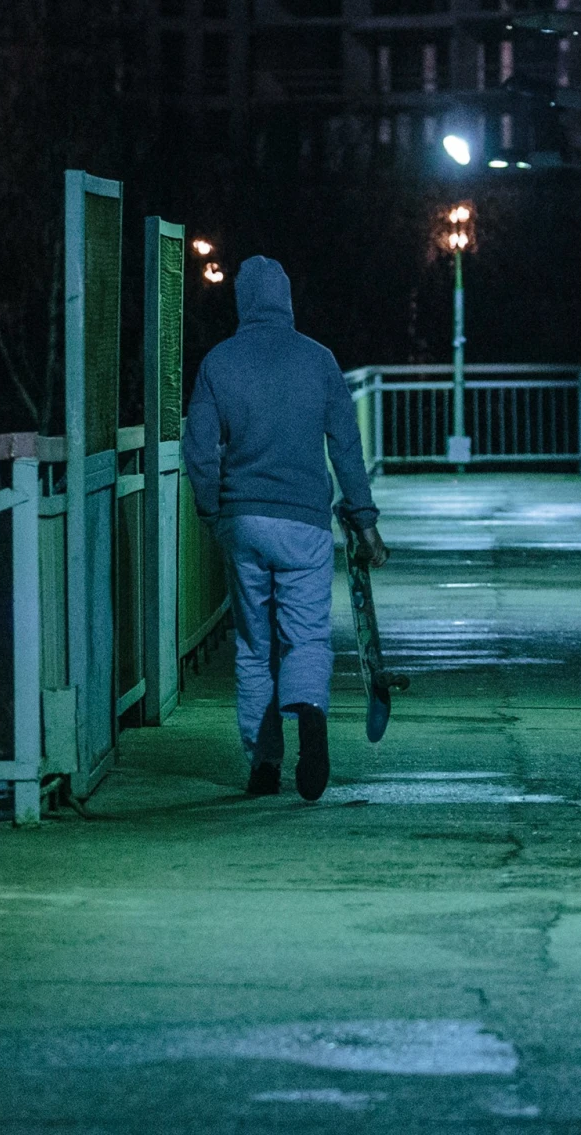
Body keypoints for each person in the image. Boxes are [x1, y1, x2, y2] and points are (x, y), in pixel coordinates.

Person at [183, 255, 389, 802]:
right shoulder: (318, 361)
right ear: (288, 299)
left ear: (243, 301)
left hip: (243, 520)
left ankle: (264, 763)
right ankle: (312, 717)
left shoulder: (218, 363)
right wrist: (364, 521)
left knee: (254, 646)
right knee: (306, 634)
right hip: (304, 523)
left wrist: (212, 510)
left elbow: (199, 449)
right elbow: (345, 446)